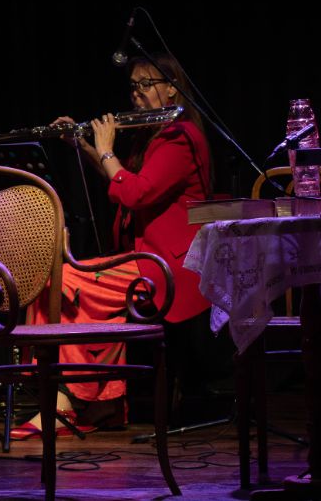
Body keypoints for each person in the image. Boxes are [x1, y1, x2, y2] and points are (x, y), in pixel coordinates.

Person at [11, 51, 219, 439]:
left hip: (170, 266)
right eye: (133, 86)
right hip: (145, 260)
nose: (136, 94)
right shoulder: (155, 134)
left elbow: (136, 194)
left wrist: (106, 149)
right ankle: (99, 401)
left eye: (146, 85)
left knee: (65, 281)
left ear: (172, 90)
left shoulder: (180, 137)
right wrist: (84, 147)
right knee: (73, 290)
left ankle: (65, 401)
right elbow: (122, 180)